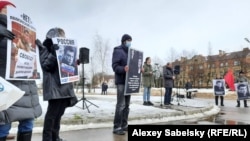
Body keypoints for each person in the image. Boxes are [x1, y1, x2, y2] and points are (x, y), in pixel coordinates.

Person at [0, 1, 42, 141]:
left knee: (28, 122)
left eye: (13, 9)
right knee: (4, 124)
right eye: (7, 9)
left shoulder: (25, 37)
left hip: (26, 85)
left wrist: (40, 49)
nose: (10, 11)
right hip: (8, 86)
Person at [36, 27, 78, 141]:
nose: (62, 37)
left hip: (64, 87)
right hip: (54, 88)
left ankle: (55, 136)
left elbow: (66, 66)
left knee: (59, 115)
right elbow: (46, 66)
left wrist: (75, 63)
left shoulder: (64, 48)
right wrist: (54, 53)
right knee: (51, 116)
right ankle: (47, 138)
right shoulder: (44, 49)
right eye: (60, 35)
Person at [111, 34, 132, 135]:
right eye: (128, 40)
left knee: (127, 106)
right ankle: (117, 126)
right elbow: (115, 66)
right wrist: (123, 69)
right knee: (121, 105)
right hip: (121, 82)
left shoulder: (131, 52)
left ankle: (124, 125)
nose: (130, 42)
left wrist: (139, 70)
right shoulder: (118, 50)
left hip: (129, 82)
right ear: (124, 41)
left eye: (131, 41)